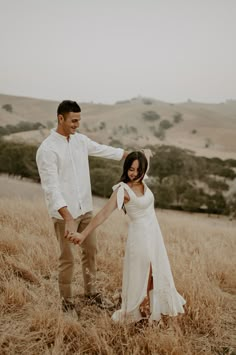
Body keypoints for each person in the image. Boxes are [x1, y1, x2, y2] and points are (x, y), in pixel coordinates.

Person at [66, 151, 186, 323]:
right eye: (131, 169)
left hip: (154, 236)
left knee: (155, 274)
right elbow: (103, 214)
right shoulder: (123, 190)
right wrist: (83, 234)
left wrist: (146, 153)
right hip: (140, 239)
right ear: (126, 168)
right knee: (144, 275)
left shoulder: (142, 179)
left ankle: (152, 312)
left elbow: (145, 162)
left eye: (138, 170)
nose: (134, 173)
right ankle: (141, 312)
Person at [36, 100, 129, 313]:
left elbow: (102, 150)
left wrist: (128, 154)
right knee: (67, 258)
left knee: (91, 252)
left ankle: (91, 293)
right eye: (73, 120)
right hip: (64, 216)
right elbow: (51, 188)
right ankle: (67, 302)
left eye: (79, 120)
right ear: (61, 118)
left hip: (86, 209)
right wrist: (67, 216)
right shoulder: (47, 149)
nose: (77, 124)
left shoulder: (80, 141)